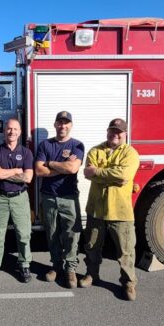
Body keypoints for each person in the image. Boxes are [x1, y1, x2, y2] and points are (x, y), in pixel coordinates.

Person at [80, 118, 140, 301]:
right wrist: (112, 175)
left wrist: (98, 172)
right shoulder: (95, 150)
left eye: (119, 132)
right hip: (96, 208)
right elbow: (87, 172)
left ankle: (128, 283)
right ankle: (92, 274)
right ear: (107, 131)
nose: (115, 134)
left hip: (121, 211)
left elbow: (124, 176)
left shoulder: (130, 153)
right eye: (112, 130)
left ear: (125, 134)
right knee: (91, 246)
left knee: (126, 250)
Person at [34, 111, 84, 289]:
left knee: (71, 234)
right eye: (60, 122)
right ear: (55, 125)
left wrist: (50, 163)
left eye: (66, 123)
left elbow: (72, 169)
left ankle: (70, 269)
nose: (63, 126)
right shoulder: (45, 145)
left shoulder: (77, 145)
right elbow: (39, 171)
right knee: (52, 233)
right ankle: (56, 266)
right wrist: (62, 166)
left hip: (69, 197)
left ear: (71, 125)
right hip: (48, 196)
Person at [0, 118, 34, 283]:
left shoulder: (26, 153)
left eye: (15, 129)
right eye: (9, 129)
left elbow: (27, 178)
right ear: (4, 131)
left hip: (20, 198)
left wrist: (3, 172)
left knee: (23, 233)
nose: (12, 132)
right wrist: (15, 171)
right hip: (0, 198)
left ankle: (24, 265)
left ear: (20, 132)